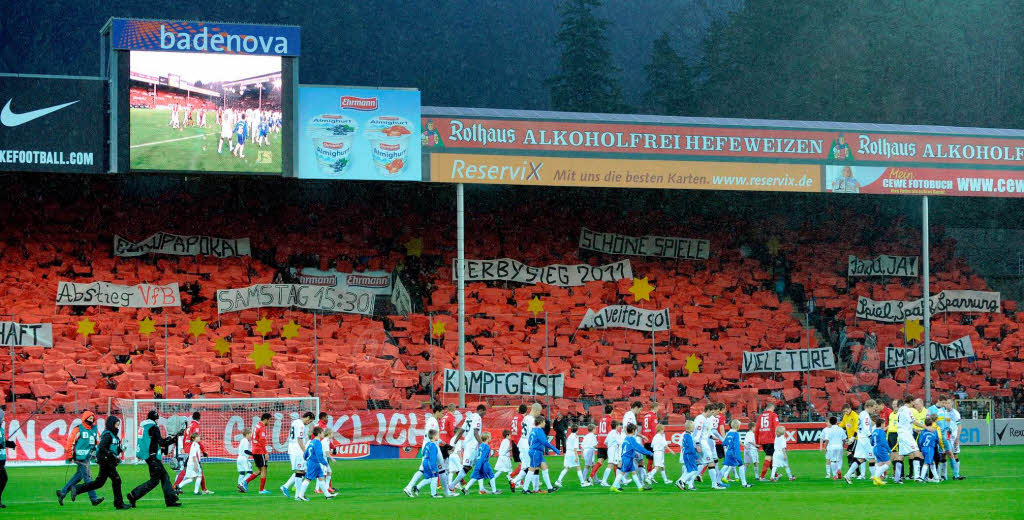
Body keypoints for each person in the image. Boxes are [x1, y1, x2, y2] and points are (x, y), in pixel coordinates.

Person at [127, 409, 184, 508]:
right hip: (153, 457)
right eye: (157, 419)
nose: (158, 421)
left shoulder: (144, 426)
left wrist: (170, 440)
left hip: (149, 456)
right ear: (155, 419)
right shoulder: (153, 427)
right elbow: (161, 442)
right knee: (155, 480)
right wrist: (172, 440)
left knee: (164, 477)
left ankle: (171, 500)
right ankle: (133, 495)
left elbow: (153, 441)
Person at [70, 415, 129, 509]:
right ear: (111, 424)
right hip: (105, 461)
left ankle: (77, 489)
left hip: (107, 460)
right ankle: (119, 504)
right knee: (116, 480)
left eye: (118, 425)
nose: (117, 427)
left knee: (100, 482)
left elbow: (112, 449)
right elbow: (102, 447)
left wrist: (121, 449)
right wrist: (112, 455)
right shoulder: (107, 434)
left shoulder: (113, 435)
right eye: (116, 425)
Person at [57, 411, 103, 506]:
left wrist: (98, 454)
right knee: (88, 478)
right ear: (84, 418)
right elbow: (71, 442)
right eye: (89, 418)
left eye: (92, 419)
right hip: (80, 457)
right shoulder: (78, 429)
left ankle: (63, 492)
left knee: (79, 476)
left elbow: (98, 442)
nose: (90, 420)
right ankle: (94, 498)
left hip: (88, 457)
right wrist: (70, 456)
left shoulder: (94, 430)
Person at [404, 405, 443, 497]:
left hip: (428, 447)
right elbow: (431, 434)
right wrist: (433, 445)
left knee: (423, 470)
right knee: (438, 469)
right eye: (442, 413)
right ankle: (443, 492)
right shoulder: (433, 421)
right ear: (437, 412)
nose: (442, 415)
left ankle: (411, 487)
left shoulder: (431, 420)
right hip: (431, 448)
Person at [451, 404, 486, 493]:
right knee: (467, 467)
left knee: (479, 465)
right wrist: (482, 444)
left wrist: (455, 442)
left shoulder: (469, 417)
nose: (484, 415)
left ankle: (481, 488)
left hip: (468, 445)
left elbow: (461, 430)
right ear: (481, 410)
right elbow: (475, 432)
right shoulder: (478, 417)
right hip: (472, 446)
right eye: (484, 413)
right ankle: (451, 485)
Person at [175, 412, 211, 495]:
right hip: (191, 451)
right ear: (200, 417)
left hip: (187, 449)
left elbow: (184, 437)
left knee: (188, 473)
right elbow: (196, 437)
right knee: (194, 472)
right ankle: (176, 486)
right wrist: (203, 450)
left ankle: (178, 486)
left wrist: (183, 448)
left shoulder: (190, 425)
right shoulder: (196, 426)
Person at [280, 411, 315, 498]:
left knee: (302, 471)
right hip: (297, 451)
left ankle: (288, 488)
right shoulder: (301, 425)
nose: (309, 423)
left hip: (292, 449)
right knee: (300, 471)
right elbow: (299, 440)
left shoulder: (295, 422)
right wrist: (305, 451)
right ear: (307, 417)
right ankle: (297, 495)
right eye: (309, 421)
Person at [522, 417, 560, 494]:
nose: (545, 423)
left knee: (545, 468)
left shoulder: (533, 430)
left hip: (536, 451)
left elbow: (529, 441)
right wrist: (555, 449)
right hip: (536, 452)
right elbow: (545, 442)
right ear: (541, 422)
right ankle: (525, 489)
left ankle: (550, 488)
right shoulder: (539, 431)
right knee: (531, 469)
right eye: (544, 422)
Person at [296, 427, 336, 501]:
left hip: (314, 463)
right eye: (322, 433)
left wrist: (305, 458)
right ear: (319, 434)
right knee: (308, 479)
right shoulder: (317, 442)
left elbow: (306, 451)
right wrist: (325, 463)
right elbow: (319, 455)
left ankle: (327, 495)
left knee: (321, 477)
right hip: (314, 463)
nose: (324, 434)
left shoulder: (312, 441)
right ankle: (300, 495)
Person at [610, 424, 652, 492]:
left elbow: (624, 447)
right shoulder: (631, 439)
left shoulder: (626, 438)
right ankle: (614, 486)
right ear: (633, 430)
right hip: (628, 458)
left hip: (626, 457)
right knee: (622, 472)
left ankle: (640, 487)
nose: (636, 431)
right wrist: (649, 452)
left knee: (633, 472)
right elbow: (639, 448)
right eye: (635, 430)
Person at [846, 399, 880, 481]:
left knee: (861, 458)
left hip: (861, 438)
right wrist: (871, 436)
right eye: (874, 408)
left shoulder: (862, 414)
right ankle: (874, 477)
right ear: (869, 406)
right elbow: (866, 427)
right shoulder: (865, 415)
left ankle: (847, 475)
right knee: (872, 457)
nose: (874, 410)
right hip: (865, 439)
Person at [510, 403, 540, 490]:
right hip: (526, 443)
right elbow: (533, 434)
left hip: (520, 442)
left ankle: (514, 482)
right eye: (539, 411)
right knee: (531, 467)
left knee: (527, 467)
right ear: (536, 410)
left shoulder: (525, 418)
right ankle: (529, 488)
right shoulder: (531, 420)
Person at [412, 430, 449, 498]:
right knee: (435, 477)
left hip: (425, 462)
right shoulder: (433, 446)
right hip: (430, 463)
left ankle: (417, 487)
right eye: (437, 435)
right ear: (434, 437)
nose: (438, 436)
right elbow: (433, 458)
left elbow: (423, 453)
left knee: (430, 478)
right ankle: (434, 494)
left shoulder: (427, 444)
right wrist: (433, 468)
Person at [896, 399, 924, 482]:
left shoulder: (900, 410)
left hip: (901, 434)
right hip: (906, 435)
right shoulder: (907, 410)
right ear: (910, 401)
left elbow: (905, 423)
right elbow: (914, 421)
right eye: (913, 403)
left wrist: (914, 430)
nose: (914, 404)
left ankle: (897, 478)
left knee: (901, 455)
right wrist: (925, 427)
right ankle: (917, 477)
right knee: (917, 452)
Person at [245, 413, 272, 494]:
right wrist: (266, 452)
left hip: (255, 450)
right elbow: (262, 441)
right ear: (266, 419)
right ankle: (261, 490)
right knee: (264, 469)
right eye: (269, 420)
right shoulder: (262, 428)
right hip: (260, 450)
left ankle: (245, 482)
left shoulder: (256, 426)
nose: (269, 422)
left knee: (260, 470)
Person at [720, 419, 750, 488]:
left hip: (728, 452)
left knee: (725, 466)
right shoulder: (736, 434)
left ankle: (717, 481)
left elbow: (724, 443)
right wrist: (737, 455)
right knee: (741, 466)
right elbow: (736, 445)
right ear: (738, 426)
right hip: (734, 453)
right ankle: (744, 483)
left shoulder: (729, 433)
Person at [589, 404, 613, 485]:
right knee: (614, 462)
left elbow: (599, 431)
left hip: (601, 442)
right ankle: (619, 479)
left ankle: (591, 477)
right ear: (612, 411)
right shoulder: (610, 420)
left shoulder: (601, 419)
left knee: (600, 461)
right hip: (607, 443)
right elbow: (610, 432)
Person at [756, 403, 780, 480]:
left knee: (771, 457)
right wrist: (779, 438)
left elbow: (756, 429)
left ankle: (775, 474)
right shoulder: (773, 415)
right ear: (772, 408)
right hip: (771, 439)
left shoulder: (760, 416)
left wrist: (757, 442)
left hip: (763, 440)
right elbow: (777, 427)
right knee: (769, 457)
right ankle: (762, 476)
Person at [315, 412, 336, 494]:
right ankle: (318, 488)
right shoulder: (321, 427)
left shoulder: (318, 426)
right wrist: (332, 455)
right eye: (326, 417)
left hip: (322, 454)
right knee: (321, 473)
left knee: (328, 471)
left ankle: (327, 487)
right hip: (321, 456)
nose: (327, 419)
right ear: (323, 417)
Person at [675, 420, 699, 491]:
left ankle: (680, 481)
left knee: (689, 470)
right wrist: (696, 456)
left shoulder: (685, 435)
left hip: (686, 454)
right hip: (689, 455)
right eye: (693, 427)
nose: (694, 428)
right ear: (690, 427)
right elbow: (691, 447)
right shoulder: (688, 436)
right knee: (694, 470)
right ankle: (682, 481)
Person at [918, 418, 943, 483]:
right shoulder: (934, 431)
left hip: (923, 448)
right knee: (927, 463)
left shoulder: (923, 431)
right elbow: (937, 439)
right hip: (930, 448)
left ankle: (936, 478)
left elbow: (920, 441)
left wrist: (920, 448)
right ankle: (921, 478)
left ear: (925, 423)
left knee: (932, 462)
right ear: (932, 423)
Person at [837, 403, 859, 473]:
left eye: (846, 411)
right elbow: (842, 424)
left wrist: (853, 437)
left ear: (850, 409)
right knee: (854, 456)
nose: (845, 413)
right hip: (850, 438)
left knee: (849, 453)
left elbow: (856, 428)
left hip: (856, 438)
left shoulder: (855, 416)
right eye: (844, 411)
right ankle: (857, 473)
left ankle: (853, 473)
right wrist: (836, 428)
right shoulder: (845, 416)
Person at [870, 417, 891, 486]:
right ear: (881, 424)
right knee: (887, 463)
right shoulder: (882, 432)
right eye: (884, 424)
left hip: (875, 448)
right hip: (881, 449)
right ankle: (876, 476)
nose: (884, 425)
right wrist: (889, 450)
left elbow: (871, 442)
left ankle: (876, 481)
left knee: (880, 463)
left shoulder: (874, 431)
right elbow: (884, 442)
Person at [599, 421, 621, 487]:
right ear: (616, 426)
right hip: (614, 449)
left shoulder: (610, 432)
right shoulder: (615, 433)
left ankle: (620, 480)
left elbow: (605, 442)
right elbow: (620, 442)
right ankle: (604, 481)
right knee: (611, 465)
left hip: (610, 449)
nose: (619, 427)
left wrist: (610, 444)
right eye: (619, 425)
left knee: (616, 465)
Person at [640, 401, 659, 473]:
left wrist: (643, 439)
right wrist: (656, 439)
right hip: (651, 439)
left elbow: (642, 428)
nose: (658, 409)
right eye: (658, 408)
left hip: (645, 439)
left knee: (650, 457)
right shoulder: (654, 416)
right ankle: (649, 474)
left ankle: (648, 473)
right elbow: (654, 429)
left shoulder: (645, 416)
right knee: (654, 458)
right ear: (655, 407)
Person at [236, 428, 254, 493]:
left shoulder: (242, 440)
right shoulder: (246, 441)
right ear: (247, 434)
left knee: (242, 473)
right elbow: (246, 451)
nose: (250, 436)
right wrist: (253, 454)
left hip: (239, 458)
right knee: (250, 472)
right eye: (250, 434)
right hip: (244, 458)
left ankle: (239, 486)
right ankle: (242, 483)